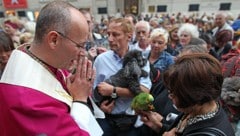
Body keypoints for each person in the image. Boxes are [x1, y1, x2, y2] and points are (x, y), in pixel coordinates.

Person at [0, 1, 103, 136]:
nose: (83, 52)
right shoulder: (29, 101)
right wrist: (80, 99)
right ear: (54, 40)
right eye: (80, 45)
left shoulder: (43, 59)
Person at [140, 53, 235, 135]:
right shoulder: (196, 109)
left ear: (193, 95)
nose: (169, 96)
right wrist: (158, 126)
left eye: (174, 94)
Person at [93, 18, 152, 136]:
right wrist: (100, 106)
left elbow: (144, 91)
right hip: (106, 121)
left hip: (131, 123)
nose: (110, 39)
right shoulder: (101, 60)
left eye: (115, 34)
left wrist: (113, 91)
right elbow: (94, 91)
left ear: (129, 37)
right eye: (108, 34)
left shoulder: (141, 60)